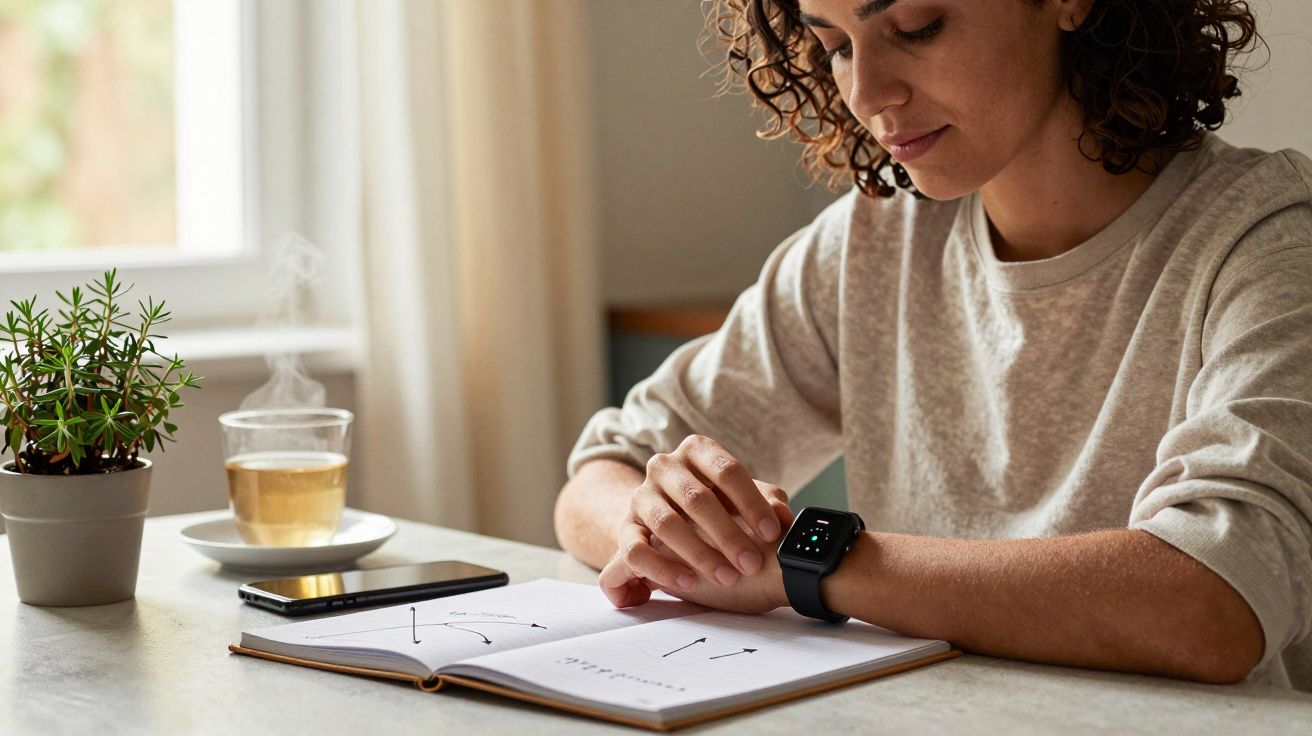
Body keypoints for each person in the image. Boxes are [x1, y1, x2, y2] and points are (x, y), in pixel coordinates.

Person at [554, 0, 1312, 689]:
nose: (866, 94)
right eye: (836, 46)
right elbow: (600, 473)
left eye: (916, 27)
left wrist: (814, 566)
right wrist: (669, 522)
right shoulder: (871, 242)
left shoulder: (1269, 240)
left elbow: (1218, 602)